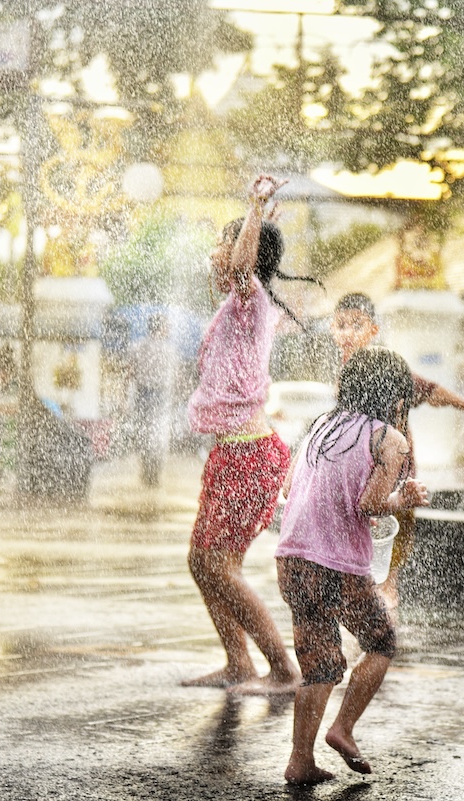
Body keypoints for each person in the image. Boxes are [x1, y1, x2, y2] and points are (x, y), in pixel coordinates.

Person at [184, 174, 318, 695]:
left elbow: (243, 267)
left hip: (250, 455)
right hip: (232, 454)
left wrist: (254, 210)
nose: (214, 254)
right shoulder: (234, 310)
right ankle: (237, 662)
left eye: (223, 242)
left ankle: (283, 670)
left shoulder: (251, 296)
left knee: (216, 563)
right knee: (205, 563)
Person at [275, 347, 430, 785]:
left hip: (292, 560)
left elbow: (289, 488)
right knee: (381, 643)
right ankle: (343, 728)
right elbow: (371, 503)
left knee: (320, 665)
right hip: (337, 566)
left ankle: (300, 761)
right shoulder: (390, 440)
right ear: (397, 400)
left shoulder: (320, 426)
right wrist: (405, 500)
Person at [328, 292, 464, 608]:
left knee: (388, 568)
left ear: (373, 330)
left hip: (395, 479)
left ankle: (384, 628)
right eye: (341, 325)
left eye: (356, 325)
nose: (348, 333)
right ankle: (370, 624)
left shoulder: (384, 367)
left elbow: (431, 391)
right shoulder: (344, 373)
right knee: (359, 564)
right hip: (361, 481)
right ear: (331, 329)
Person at [126, 311, 177, 487]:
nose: (168, 328)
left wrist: (124, 397)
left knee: (144, 433)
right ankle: (154, 474)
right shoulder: (169, 350)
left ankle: (146, 471)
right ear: (161, 327)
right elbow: (174, 379)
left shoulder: (136, 346)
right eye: (166, 325)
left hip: (142, 395)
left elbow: (130, 374)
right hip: (161, 396)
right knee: (158, 435)